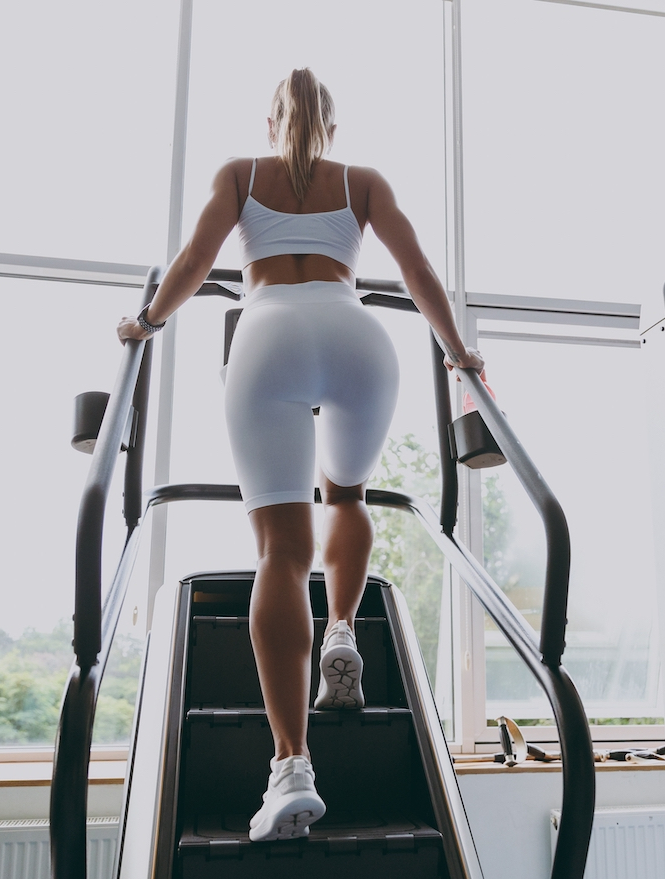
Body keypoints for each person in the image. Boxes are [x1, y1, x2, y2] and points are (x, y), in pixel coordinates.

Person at [117, 68, 483, 842]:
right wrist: (459, 355)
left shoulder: (239, 175)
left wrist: (145, 324)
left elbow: (191, 262)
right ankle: (343, 629)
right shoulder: (364, 181)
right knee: (345, 495)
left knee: (281, 552)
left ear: (271, 120)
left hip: (268, 334)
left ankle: (291, 766)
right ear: (333, 125)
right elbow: (418, 273)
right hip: (357, 336)